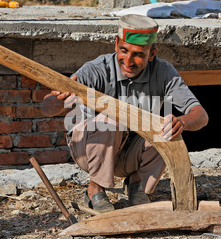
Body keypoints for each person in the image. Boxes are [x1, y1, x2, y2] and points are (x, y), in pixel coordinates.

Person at [41, 14, 208, 213]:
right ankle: (94, 189)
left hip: (130, 154)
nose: (128, 61)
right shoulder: (97, 70)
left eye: (138, 54)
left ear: (152, 53)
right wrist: (57, 100)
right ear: (116, 44)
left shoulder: (163, 72)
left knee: (166, 129)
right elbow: (47, 108)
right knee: (111, 119)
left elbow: (201, 116)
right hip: (88, 149)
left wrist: (181, 122)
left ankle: (138, 185)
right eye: (123, 51)